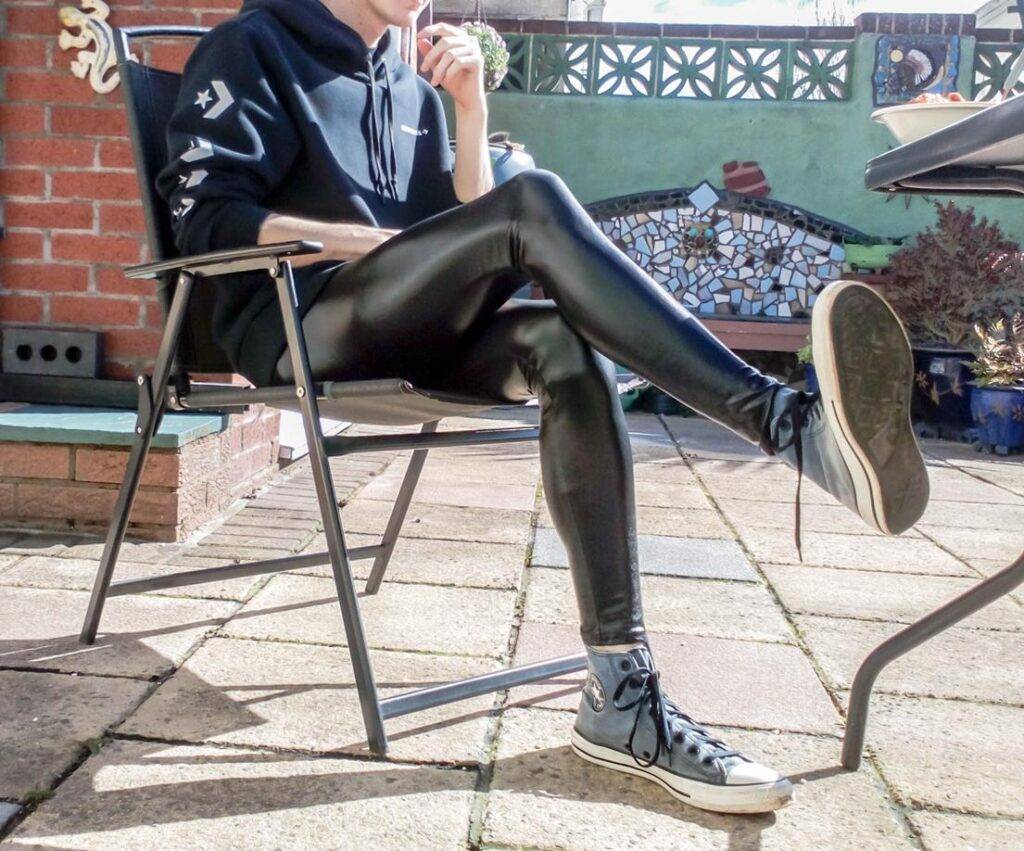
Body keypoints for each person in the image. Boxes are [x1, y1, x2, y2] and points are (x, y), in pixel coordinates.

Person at [158, 0, 929, 815]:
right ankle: (786, 425)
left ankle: (620, 693)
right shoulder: (252, 46)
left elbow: (461, 229)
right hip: (301, 324)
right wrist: (373, 244)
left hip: (404, 329)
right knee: (532, 201)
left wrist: (469, 110)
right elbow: (206, 219)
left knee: (566, 340)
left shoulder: (409, 82)